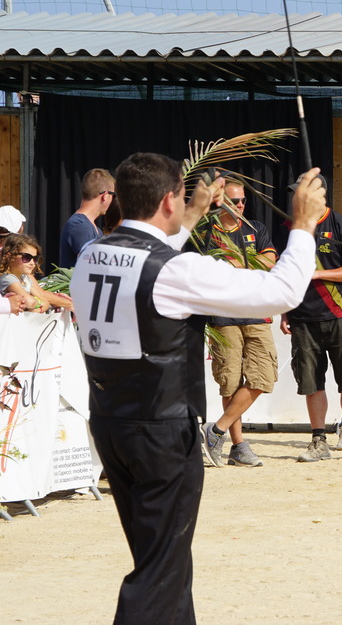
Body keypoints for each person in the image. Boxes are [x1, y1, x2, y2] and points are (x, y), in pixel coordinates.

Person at [70, 153, 326, 625]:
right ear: (169, 198)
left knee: (163, 558)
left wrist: (189, 218)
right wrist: (304, 223)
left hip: (111, 422)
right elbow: (282, 291)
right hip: (161, 430)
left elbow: (147, 254)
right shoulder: (177, 270)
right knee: (160, 568)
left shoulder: (92, 253)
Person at [280, 174, 342, 463]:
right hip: (302, 317)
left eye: (302, 192)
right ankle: (318, 440)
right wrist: (285, 311)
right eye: (295, 193)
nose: (296, 198)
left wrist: (318, 274)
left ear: (320, 194)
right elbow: (284, 274)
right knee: (311, 382)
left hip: (340, 314)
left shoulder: (340, 225)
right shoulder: (287, 228)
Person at [192, 178, 279, 468]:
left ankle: (215, 430)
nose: (241, 205)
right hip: (222, 314)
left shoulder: (256, 228)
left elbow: (270, 261)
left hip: (256, 311)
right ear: (221, 201)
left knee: (263, 377)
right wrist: (248, 263)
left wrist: (236, 263)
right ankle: (238, 446)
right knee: (229, 380)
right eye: (235, 201)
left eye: (243, 200)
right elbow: (204, 270)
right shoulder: (205, 231)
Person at [0, 233, 73, 312]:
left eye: (35, 258)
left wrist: (38, 307)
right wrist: (38, 304)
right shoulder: (7, 278)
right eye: (27, 257)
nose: (32, 263)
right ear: (10, 256)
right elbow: (30, 302)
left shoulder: (25, 278)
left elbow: (44, 300)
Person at [59, 167, 115, 268]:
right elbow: (95, 267)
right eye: (113, 195)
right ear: (105, 195)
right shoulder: (80, 226)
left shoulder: (90, 227)